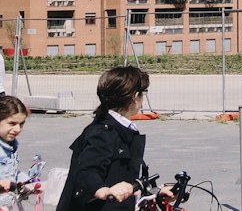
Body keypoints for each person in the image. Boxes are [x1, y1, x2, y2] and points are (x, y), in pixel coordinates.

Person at [55, 66, 171, 211]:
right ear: (135, 96)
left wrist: (155, 193)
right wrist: (103, 191)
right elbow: (87, 171)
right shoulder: (102, 133)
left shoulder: (122, 129)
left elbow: (126, 181)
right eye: (143, 93)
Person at [0, 97, 33, 210]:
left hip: (5, 203)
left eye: (21, 124)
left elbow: (10, 172)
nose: (17, 129)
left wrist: (26, 181)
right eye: (12, 123)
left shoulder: (11, 144)